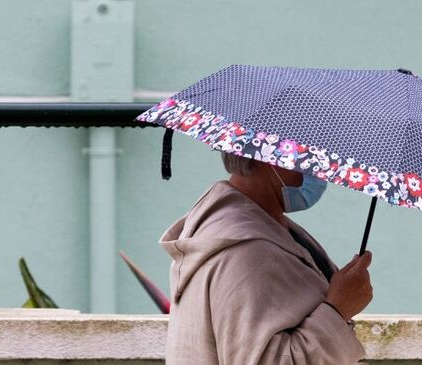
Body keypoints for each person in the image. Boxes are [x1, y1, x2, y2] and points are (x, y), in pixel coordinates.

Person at [160, 151, 373, 364]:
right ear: (267, 157)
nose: (321, 168)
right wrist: (338, 309)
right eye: (308, 154)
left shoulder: (258, 225)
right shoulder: (244, 252)